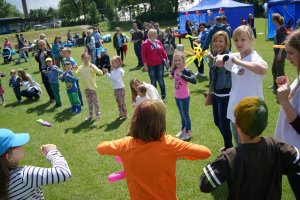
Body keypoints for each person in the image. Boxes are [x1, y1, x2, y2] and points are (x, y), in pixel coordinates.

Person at [97, 100, 211, 200]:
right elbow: (205, 152)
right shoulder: (170, 144)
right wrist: (180, 155)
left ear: (135, 121)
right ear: (161, 123)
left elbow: (101, 148)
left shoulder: (125, 145)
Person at [199, 97, 300, 199]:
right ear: (264, 124)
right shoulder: (276, 146)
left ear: (237, 125)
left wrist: (221, 160)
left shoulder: (230, 157)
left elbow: (205, 184)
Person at [215, 25, 268, 145]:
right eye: (236, 40)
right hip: (235, 110)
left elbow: (263, 68)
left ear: (252, 40)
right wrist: (219, 59)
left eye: (243, 40)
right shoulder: (236, 56)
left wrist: (240, 63)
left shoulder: (253, 57)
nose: (239, 43)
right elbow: (222, 57)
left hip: (250, 112)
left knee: (250, 148)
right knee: (239, 146)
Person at [0, 128, 71, 200]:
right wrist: (52, 152)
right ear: (8, 157)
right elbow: (63, 172)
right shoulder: (23, 176)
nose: (22, 145)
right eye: (17, 145)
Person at [274, 29, 300, 199]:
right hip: (292, 152)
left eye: (290, 53)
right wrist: (288, 88)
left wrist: (284, 101)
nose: (287, 58)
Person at [206, 31, 232, 151]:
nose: (217, 43)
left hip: (225, 94)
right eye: (215, 41)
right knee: (217, 122)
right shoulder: (217, 54)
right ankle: (228, 145)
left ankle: (229, 147)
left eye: (221, 41)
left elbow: (225, 73)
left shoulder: (227, 56)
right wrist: (212, 59)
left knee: (224, 124)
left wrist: (216, 60)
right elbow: (213, 72)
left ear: (226, 43)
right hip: (216, 93)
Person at [169, 52, 197, 141]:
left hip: (184, 97)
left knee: (185, 114)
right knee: (181, 114)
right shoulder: (175, 69)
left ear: (183, 61)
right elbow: (173, 75)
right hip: (177, 96)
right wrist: (171, 75)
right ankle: (183, 129)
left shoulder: (186, 70)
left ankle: (189, 132)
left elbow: (194, 80)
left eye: (179, 60)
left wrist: (183, 75)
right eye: (175, 60)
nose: (177, 62)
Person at [75, 53, 103, 121]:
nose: (86, 60)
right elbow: (75, 75)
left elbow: (101, 73)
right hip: (86, 88)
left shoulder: (92, 65)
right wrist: (75, 69)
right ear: (82, 59)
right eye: (85, 58)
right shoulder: (80, 67)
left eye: (87, 58)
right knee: (89, 102)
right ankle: (90, 115)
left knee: (95, 102)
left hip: (92, 88)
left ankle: (97, 115)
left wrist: (94, 68)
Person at [142, 29, 168, 100]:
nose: (157, 34)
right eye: (156, 33)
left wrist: (166, 59)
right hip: (151, 65)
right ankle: (154, 95)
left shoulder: (158, 42)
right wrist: (145, 65)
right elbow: (143, 56)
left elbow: (163, 51)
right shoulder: (145, 44)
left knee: (160, 79)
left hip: (160, 64)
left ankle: (163, 95)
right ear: (152, 35)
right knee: (153, 80)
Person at [271, 13, 288, 93]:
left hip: (281, 52)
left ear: (275, 21)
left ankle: (283, 86)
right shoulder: (278, 29)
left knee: (280, 70)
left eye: (272, 20)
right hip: (277, 52)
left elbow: (284, 43)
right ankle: (275, 85)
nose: (272, 21)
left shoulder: (282, 30)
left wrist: (280, 53)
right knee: (274, 69)